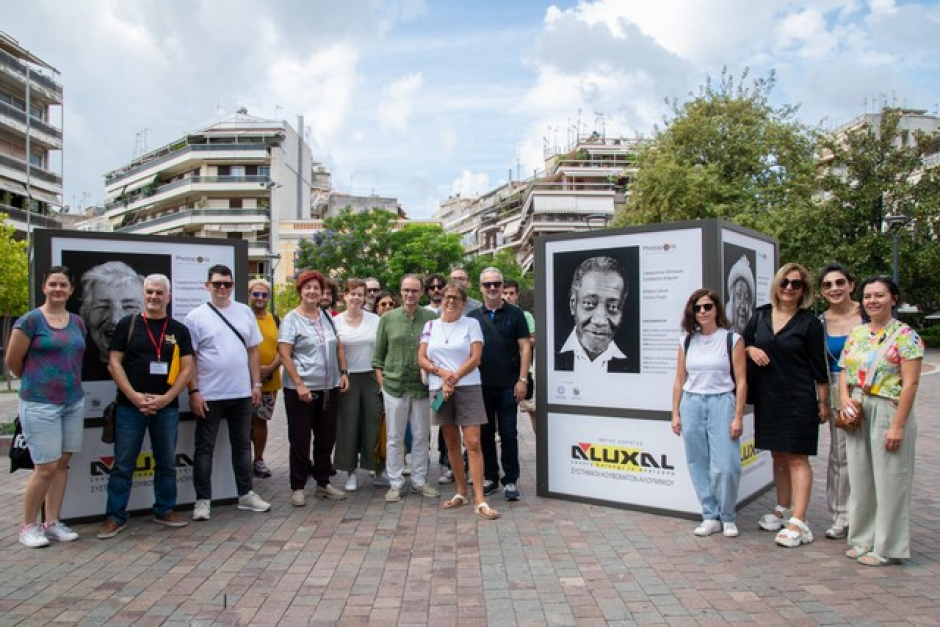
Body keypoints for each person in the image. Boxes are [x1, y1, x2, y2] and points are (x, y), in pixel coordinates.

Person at [97, 274, 195, 539]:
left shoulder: (179, 330)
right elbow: (114, 364)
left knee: (166, 462)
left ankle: (165, 509)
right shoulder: (127, 325)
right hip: (130, 408)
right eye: (150, 291)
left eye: (159, 292)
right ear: (143, 294)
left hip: (167, 407)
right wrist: (134, 397)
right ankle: (115, 516)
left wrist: (166, 398)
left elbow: (187, 369)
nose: (154, 296)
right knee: (123, 465)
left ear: (168, 297)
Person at [839, 276, 924, 566]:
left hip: (888, 408)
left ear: (893, 299)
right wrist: (845, 399)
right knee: (860, 478)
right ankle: (863, 538)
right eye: (867, 296)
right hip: (858, 407)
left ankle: (888, 546)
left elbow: (910, 384)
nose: (872, 301)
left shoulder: (906, 336)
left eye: (879, 295)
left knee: (891, 480)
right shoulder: (857, 333)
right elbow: (844, 370)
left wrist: (897, 425)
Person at [744, 263, 829, 548]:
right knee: (778, 456)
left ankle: (799, 522)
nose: (789, 288)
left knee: (797, 458)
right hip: (768, 398)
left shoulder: (810, 323)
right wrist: (751, 349)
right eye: (785, 282)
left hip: (798, 399)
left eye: (796, 284)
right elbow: (742, 343)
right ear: (776, 285)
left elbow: (819, 367)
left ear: (804, 290)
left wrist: (823, 403)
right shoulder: (760, 316)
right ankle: (782, 510)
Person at [5, 266, 86, 548]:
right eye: (53, 284)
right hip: (40, 404)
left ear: (71, 290)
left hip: (72, 402)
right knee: (45, 467)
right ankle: (28, 526)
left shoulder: (77, 322)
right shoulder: (30, 321)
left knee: (62, 464)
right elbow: (13, 362)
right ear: (44, 287)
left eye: (63, 285)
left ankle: (52, 522)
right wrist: (37, 383)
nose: (58, 289)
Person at [184, 264, 270, 520]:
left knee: (242, 446)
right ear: (207, 286)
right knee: (204, 448)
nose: (222, 288)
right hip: (209, 394)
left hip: (241, 393)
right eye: (217, 283)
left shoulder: (244, 311)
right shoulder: (195, 317)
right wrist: (194, 391)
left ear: (233, 286)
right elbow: (190, 359)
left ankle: (245, 494)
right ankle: (202, 500)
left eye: (227, 284)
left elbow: (253, 350)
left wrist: (256, 384)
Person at [418, 282, 499, 520]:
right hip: (439, 389)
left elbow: (476, 357)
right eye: (447, 297)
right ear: (441, 300)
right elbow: (421, 358)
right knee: (451, 441)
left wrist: (452, 378)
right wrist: (441, 374)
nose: (450, 301)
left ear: (463, 302)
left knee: (472, 442)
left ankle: (480, 499)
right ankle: (461, 492)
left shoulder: (471, 324)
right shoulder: (430, 325)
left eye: (456, 298)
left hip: (468, 387)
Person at [671, 288, 747, 537]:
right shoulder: (686, 341)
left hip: (721, 402)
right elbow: (679, 379)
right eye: (697, 308)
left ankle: (728, 516)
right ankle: (709, 515)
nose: (702, 311)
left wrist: (738, 416)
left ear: (716, 309)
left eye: (707, 306)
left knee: (726, 465)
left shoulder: (731, 339)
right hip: (691, 403)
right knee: (698, 462)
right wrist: (675, 413)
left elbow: (741, 381)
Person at [278, 270, 350, 506]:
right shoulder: (291, 319)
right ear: (300, 291)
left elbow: (338, 346)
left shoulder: (326, 316)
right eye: (307, 287)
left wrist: (344, 372)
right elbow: (285, 354)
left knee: (326, 438)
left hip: (329, 387)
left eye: (316, 288)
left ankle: (323, 483)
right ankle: (298, 487)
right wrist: (299, 384)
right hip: (301, 390)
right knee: (300, 439)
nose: (312, 292)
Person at [372, 274, 439, 502]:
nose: (410, 294)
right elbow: (378, 356)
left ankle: (419, 481)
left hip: (421, 387)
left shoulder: (431, 319)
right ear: (400, 292)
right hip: (394, 385)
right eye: (406, 290)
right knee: (394, 437)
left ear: (422, 292)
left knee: (421, 436)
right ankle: (395, 483)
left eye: (415, 290)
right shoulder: (387, 319)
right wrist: (382, 383)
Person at [469, 267, 531, 501]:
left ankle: (511, 480)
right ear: (481, 288)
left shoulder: (516, 314)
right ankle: (490, 477)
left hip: (508, 384)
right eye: (488, 284)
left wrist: (522, 380)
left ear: (503, 286)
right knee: (485, 434)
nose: (492, 288)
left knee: (508, 433)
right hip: (480, 385)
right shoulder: (473, 317)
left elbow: (525, 347)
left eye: (496, 284)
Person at [817, 263, 864, 540]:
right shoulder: (820, 322)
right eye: (827, 285)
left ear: (851, 285)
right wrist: (822, 402)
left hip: (871, 387)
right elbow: (817, 364)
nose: (834, 288)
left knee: (869, 454)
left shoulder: (868, 313)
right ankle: (840, 515)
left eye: (839, 283)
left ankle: (865, 515)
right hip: (837, 388)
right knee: (840, 453)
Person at [333, 279, 382, 492]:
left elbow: (381, 350)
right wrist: (341, 374)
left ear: (365, 297)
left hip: (371, 376)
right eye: (352, 293)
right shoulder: (335, 321)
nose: (356, 298)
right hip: (348, 378)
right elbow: (335, 351)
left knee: (375, 422)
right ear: (345, 296)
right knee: (348, 425)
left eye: (360, 294)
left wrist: (381, 377)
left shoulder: (375, 320)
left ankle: (376, 468)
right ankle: (350, 472)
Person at [556, 256, 632, 374]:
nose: (600, 320)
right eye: (589, 304)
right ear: (573, 305)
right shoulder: (550, 354)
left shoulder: (632, 364)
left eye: (613, 307)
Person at [80, 261, 144, 380]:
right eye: (103, 307)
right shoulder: (75, 368)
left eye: (128, 307)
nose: (115, 320)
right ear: (85, 314)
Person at [248, 279, 281, 479]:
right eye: (256, 294)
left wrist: (268, 369)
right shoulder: (243, 317)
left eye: (264, 295)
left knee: (261, 420)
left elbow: (284, 348)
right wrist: (253, 371)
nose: (260, 298)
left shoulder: (275, 319)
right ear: (249, 295)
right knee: (245, 422)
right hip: (244, 380)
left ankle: (258, 459)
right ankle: (244, 459)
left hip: (270, 381)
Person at [503, 279, 536, 432]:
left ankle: (540, 443)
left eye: (511, 293)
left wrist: (516, 341)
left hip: (523, 370)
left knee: (532, 410)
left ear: (517, 295)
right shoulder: (494, 315)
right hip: (502, 371)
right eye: (505, 293)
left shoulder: (525, 315)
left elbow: (534, 340)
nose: (508, 296)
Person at [725, 255, 756, 335]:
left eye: (746, 298)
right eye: (738, 297)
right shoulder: (724, 338)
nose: (743, 305)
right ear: (732, 301)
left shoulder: (756, 338)